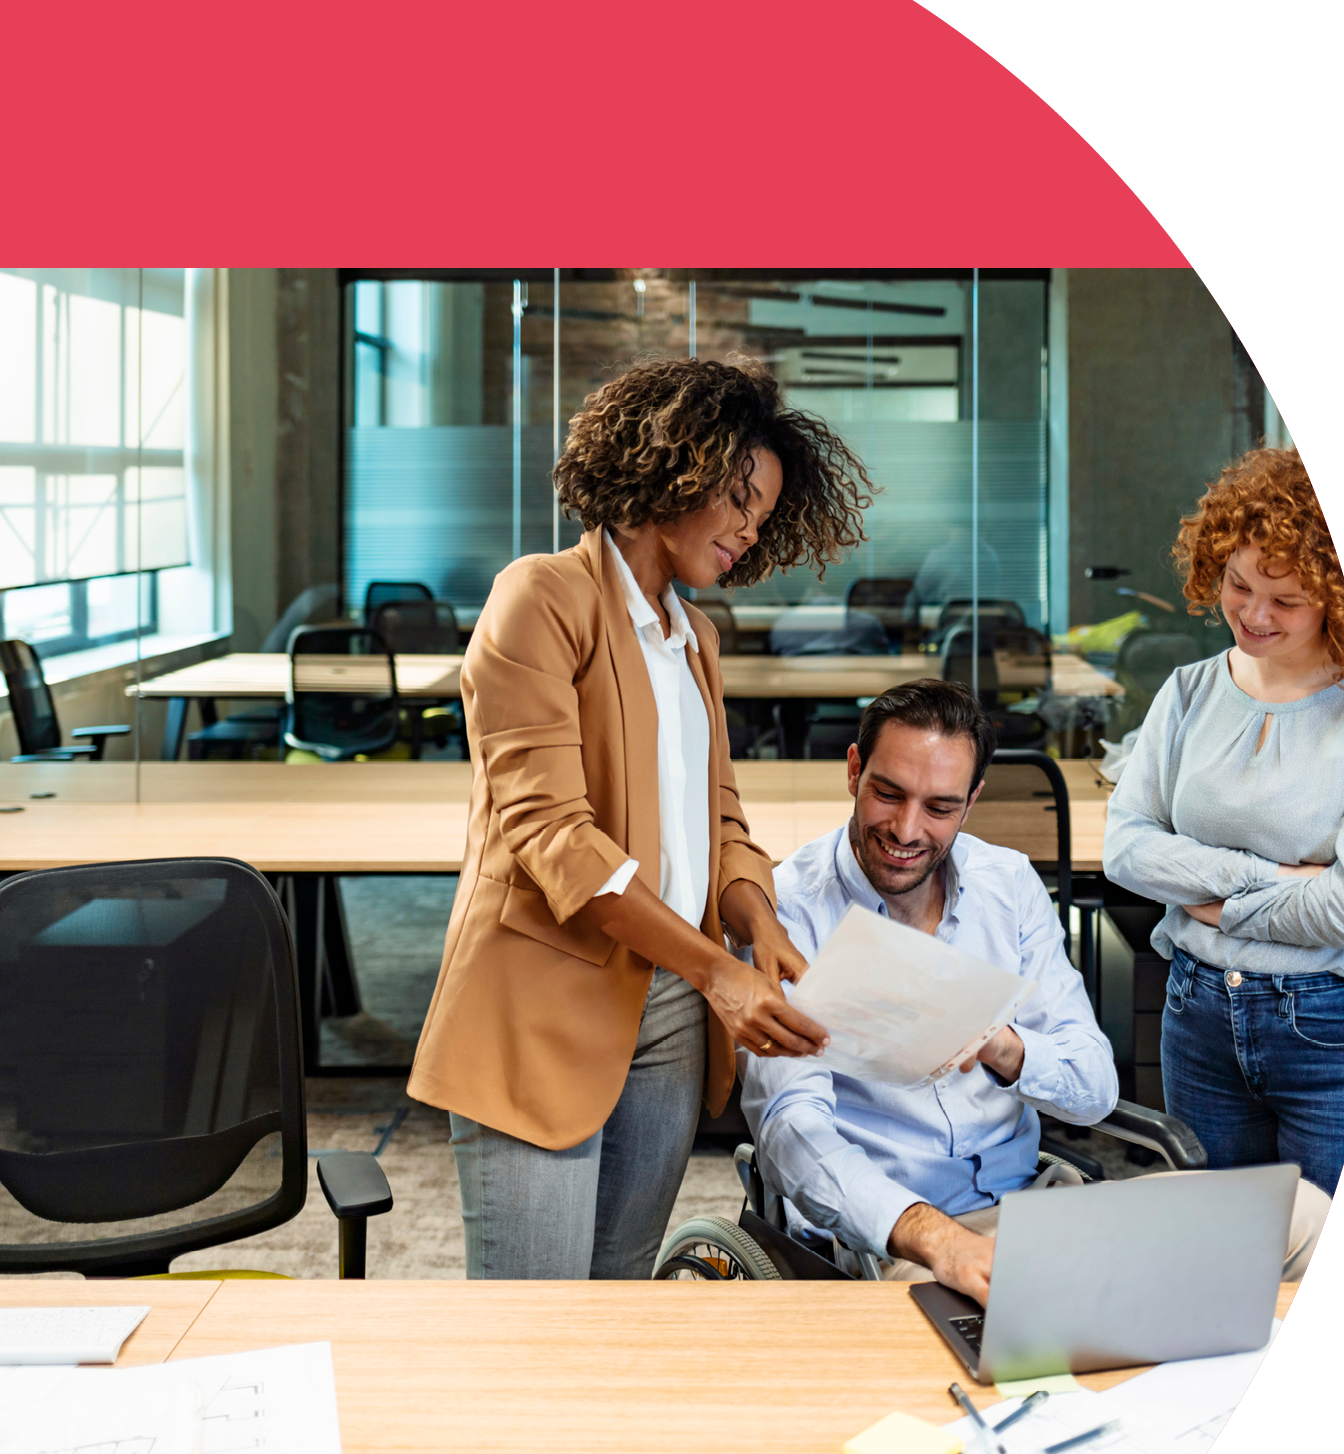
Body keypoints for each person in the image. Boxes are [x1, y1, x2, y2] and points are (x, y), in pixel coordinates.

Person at [408, 356, 869, 1278]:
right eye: (738, 496)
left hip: (665, 1005)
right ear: (674, 466)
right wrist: (715, 972)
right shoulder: (540, 598)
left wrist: (757, 924)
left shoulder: (690, 635)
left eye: (765, 513)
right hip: (542, 1002)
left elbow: (721, 816)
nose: (748, 527)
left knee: (617, 1302)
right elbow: (555, 839)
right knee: (533, 1324)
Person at [740, 681, 1119, 1304]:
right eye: (888, 794)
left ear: (972, 802)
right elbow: (789, 1129)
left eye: (939, 807)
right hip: (888, 1240)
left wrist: (1005, 1048)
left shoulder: (1009, 885)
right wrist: (935, 1238)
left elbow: (1095, 1090)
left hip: (1029, 1210)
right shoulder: (787, 911)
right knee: (1031, 1335)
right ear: (855, 770)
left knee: (1293, 1219)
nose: (906, 829)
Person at [1104, 447, 1344, 1202]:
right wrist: (1263, 882)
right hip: (1194, 1014)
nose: (1253, 614)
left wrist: (1207, 899)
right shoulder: (1190, 689)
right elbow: (1125, 848)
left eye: (1284, 600)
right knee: (1211, 1264)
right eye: (1237, 585)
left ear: (1337, 593)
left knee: (1324, 1267)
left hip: (1336, 1025)